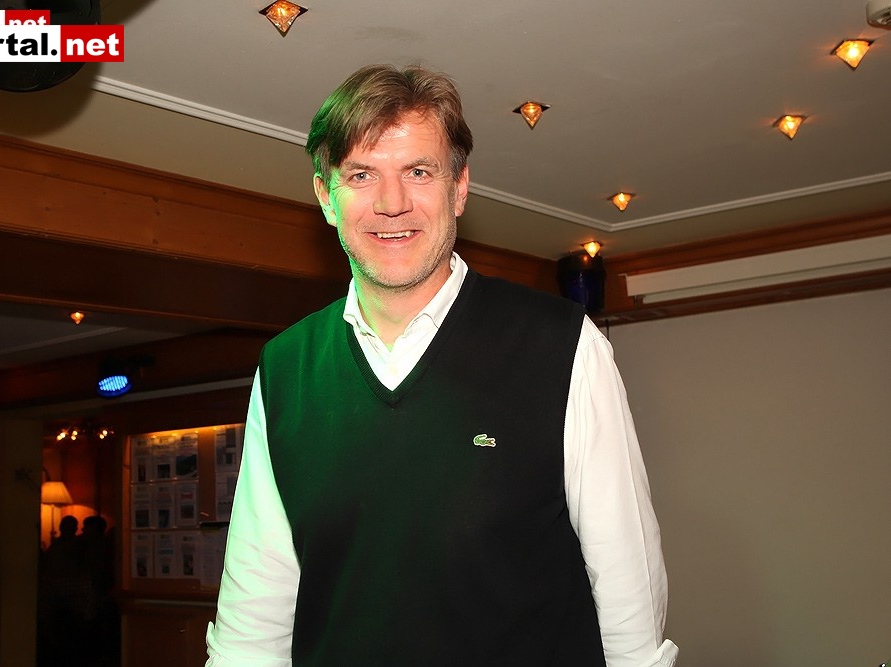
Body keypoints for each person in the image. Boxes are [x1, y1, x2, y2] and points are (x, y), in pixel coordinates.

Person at [206, 64, 679, 666]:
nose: (392, 203)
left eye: (418, 172)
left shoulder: (562, 345)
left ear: (458, 189)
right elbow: (255, 610)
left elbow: (627, 591)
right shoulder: (284, 368)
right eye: (362, 175)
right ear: (326, 197)